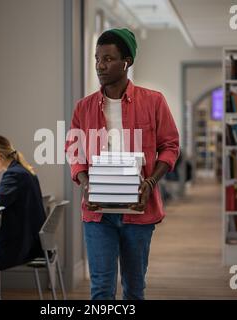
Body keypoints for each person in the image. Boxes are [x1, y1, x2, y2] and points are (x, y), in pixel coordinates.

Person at [66, 28, 180, 300]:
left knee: (134, 288)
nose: (99, 66)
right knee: (101, 289)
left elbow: (170, 146)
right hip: (97, 214)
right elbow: (73, 150)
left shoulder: (153, 101)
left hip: (139, 211)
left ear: (126, 62)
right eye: (97, 59)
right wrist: (84, 182)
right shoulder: (84, 107)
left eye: (107, 59)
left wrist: (151, 182)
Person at [0, 135, 46, 271]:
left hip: (21, 245)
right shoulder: (24, 170)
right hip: (32, 241)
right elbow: (5, 199)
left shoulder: (13, 174)